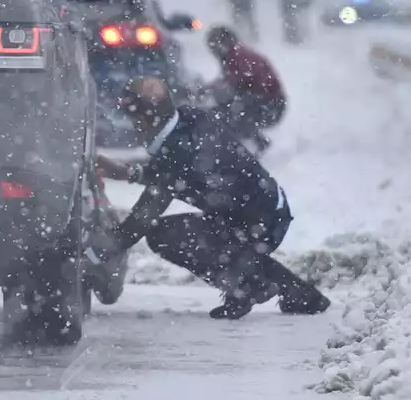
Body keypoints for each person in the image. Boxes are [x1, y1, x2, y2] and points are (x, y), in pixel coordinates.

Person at [93, 77, 330, 320]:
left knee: (162, 236)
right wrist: (131, 173)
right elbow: (177, 175)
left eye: (134, 118)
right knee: (226, 244)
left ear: (143, 120)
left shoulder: (177, 153)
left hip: (259, 222)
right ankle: (299, 294)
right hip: (266, 210)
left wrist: (92, 254)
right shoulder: (187, 119)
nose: (134, 126)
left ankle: (245, 287)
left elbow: (141, 220)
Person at [203, 25, 285, 155]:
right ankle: (250, 145)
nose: (213, 51)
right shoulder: (235, 55)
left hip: (270, 105)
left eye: (213, 46)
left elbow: (235, 83)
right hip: (269, 103)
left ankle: (247, 149)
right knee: (227, 109)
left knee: (233, 109)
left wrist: (208, 91)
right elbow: (227, 82)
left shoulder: (238, 56)